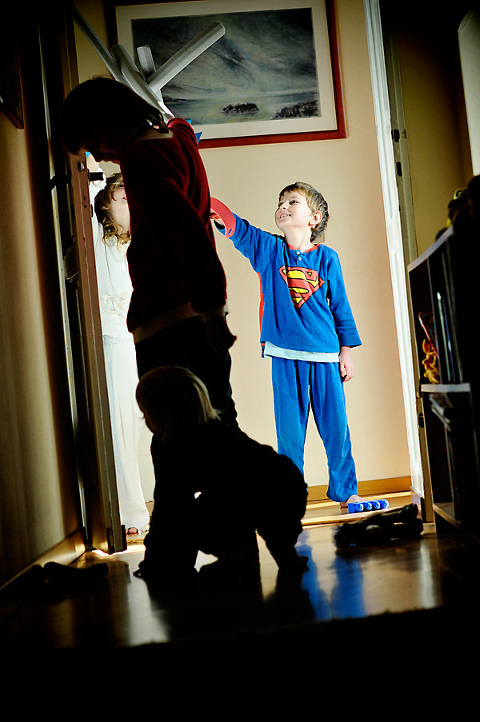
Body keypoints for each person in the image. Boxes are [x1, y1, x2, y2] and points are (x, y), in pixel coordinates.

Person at [60, 77, 237, 429]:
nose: (99, 156)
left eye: (94, 143)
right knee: (219, 418)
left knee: (171, 432)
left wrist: (213, 314)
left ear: (114, 118)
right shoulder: (181, 138)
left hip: (165, 318)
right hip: (197, 312)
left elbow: (189, 235)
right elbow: (179, 123)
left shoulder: (139, 160)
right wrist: (212, 312)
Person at [212, 182, 363, 508]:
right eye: (280, 202)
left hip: (326, 355)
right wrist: (203, 200)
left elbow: (340, 306)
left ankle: (345, 491)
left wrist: (345, 352)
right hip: (284, 354)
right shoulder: (269, 251)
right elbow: (237, 226)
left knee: (336, 430)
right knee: (290, 434)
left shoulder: (327, 257)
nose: (283, 206)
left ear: (314, 218)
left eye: (293, 202)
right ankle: (290, 496)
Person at [134, 366, 309, 588]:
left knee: (192, 517)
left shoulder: (175, 449)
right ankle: (285, 552)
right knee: (254, 504)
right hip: (289, 486)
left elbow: (168, 508)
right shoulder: (219, 428)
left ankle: (237, 554)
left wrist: (155, 561)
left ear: (157, 417)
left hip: (259, 493)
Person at [87, 162, 150, 534]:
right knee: (120, 427)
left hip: (143, 340)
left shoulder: (145, 242)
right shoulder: (99, 239)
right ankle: (128, 512)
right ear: (106, 204)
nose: (131, 203)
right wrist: (95, 170)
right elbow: (90, 183)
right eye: (123, 197)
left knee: (142, 425)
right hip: (114, 343)